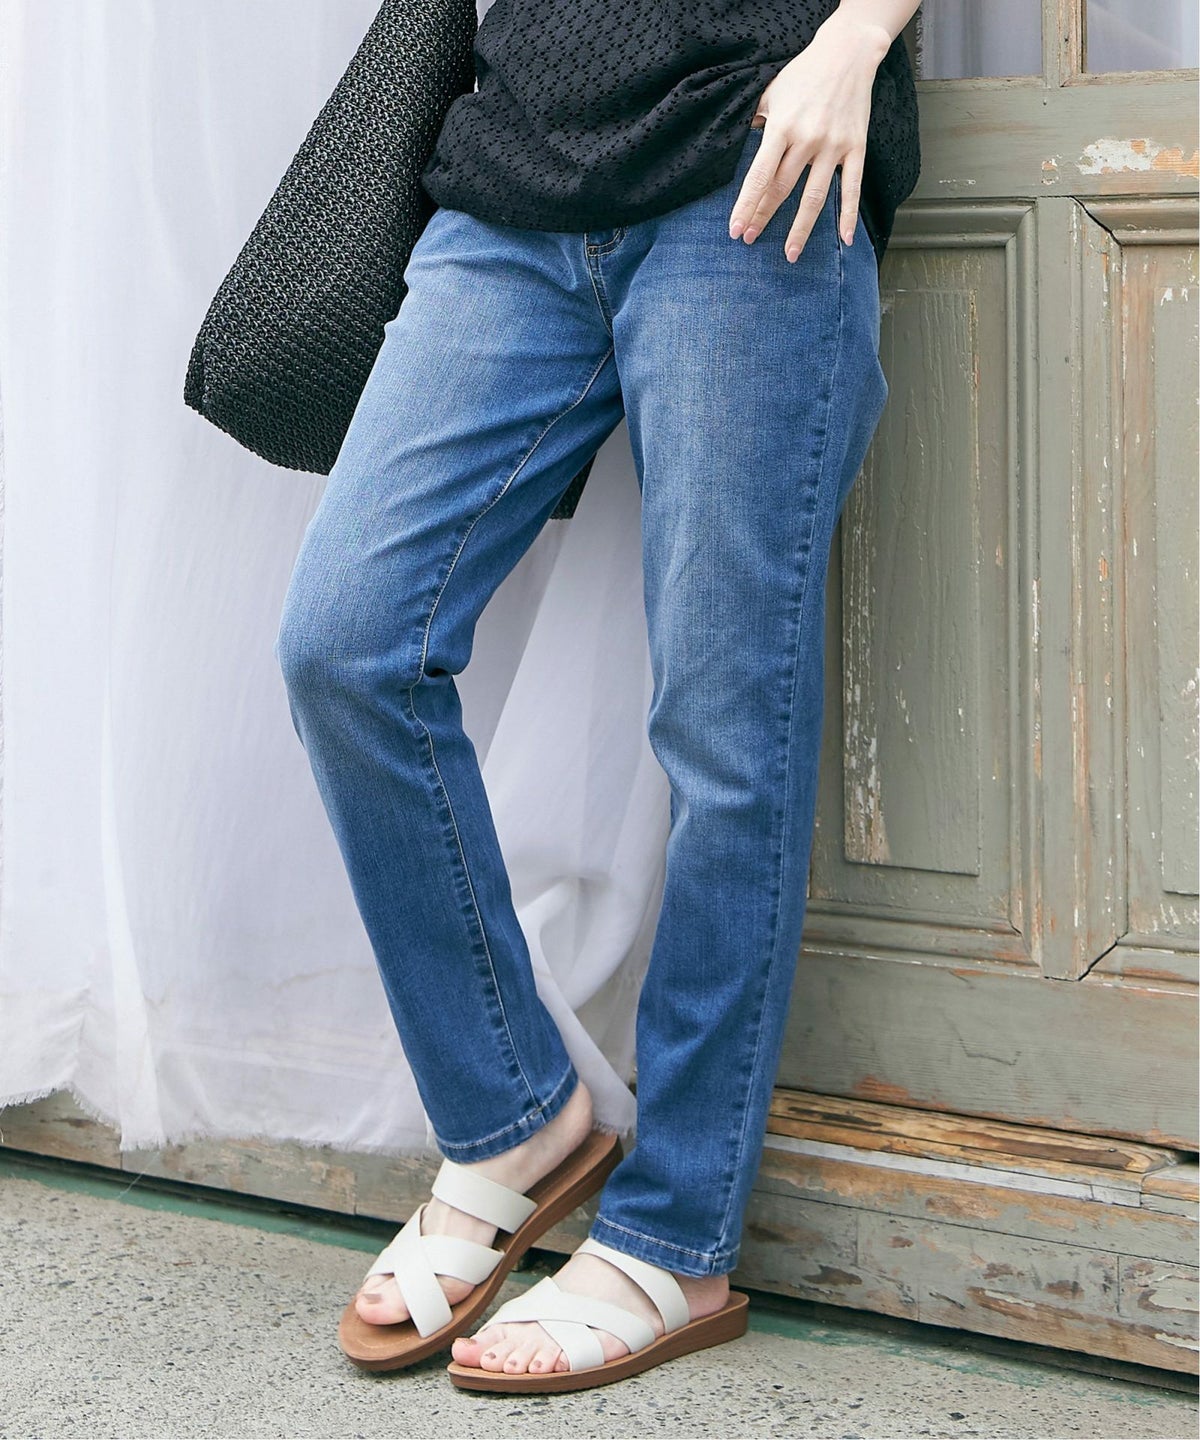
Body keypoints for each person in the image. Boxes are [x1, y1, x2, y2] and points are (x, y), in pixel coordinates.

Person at [275, 0, 922, 1395]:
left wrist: (854, 45)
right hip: (512, 174)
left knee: (726, 731)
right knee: (346, 640)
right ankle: (513, 1116)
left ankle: (675, 1236)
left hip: (754, 162)